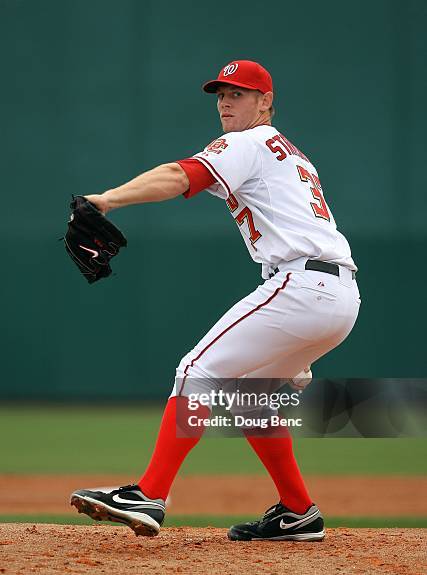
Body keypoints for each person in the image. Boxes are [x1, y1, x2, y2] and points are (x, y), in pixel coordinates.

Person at [71, 60, 360, 541]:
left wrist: (107, 200)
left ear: (265, 102)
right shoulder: (290, 154)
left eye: (239, 93)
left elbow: (179, 175)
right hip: (338, 295)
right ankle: (297, 510)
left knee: (196, 370)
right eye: (221, 94)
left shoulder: (247, 142)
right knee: (251, 400)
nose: (226, 102)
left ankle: (150, 493)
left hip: (302, 285)